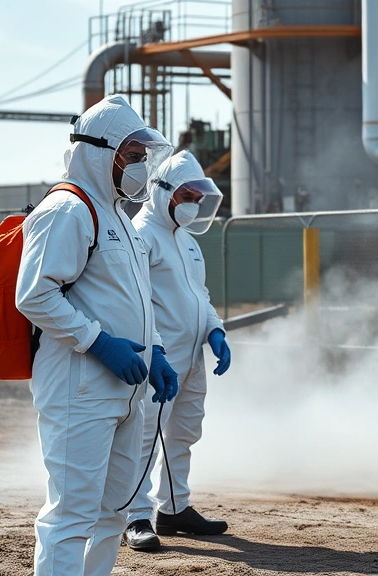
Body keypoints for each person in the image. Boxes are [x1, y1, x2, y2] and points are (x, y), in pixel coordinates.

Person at [16, 94, 180, 576]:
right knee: (71, 517)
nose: (141, 166)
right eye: (132, 155)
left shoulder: (119, 219)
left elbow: (130, 301)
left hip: (125, 391)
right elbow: (35, 296)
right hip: (79, 389)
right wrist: (99, 343)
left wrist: (156, 353)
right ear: (101, 152)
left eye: (144, 156)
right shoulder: (67, 209)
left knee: (113, 513)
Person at [123, 150, 232, 552]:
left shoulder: (186, 242)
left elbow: (198, 295)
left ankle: (173, 509)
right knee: (145, 436)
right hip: (158, 359)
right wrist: (157, 352)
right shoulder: (141, 235)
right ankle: (134, 516)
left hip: (192, 358)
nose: (193, 205)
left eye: (197, 198)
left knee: (184, 433)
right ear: (162, 192)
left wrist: (214, 330)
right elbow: (136, 302)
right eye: (186, 195)